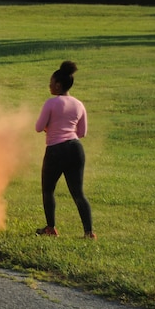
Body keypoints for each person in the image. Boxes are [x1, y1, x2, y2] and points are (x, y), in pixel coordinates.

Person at [35, 61, 96, 239]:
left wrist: (51, 129)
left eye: (51, 83)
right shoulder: (79, 104)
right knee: (78, 193)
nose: (49, 86)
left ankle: (51, 228)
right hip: (76, 149)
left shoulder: (51, 103)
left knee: (48, 190)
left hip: (55, 150)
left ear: (58, 85)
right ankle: (89, 232)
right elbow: (82, 132)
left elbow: (39, 127)